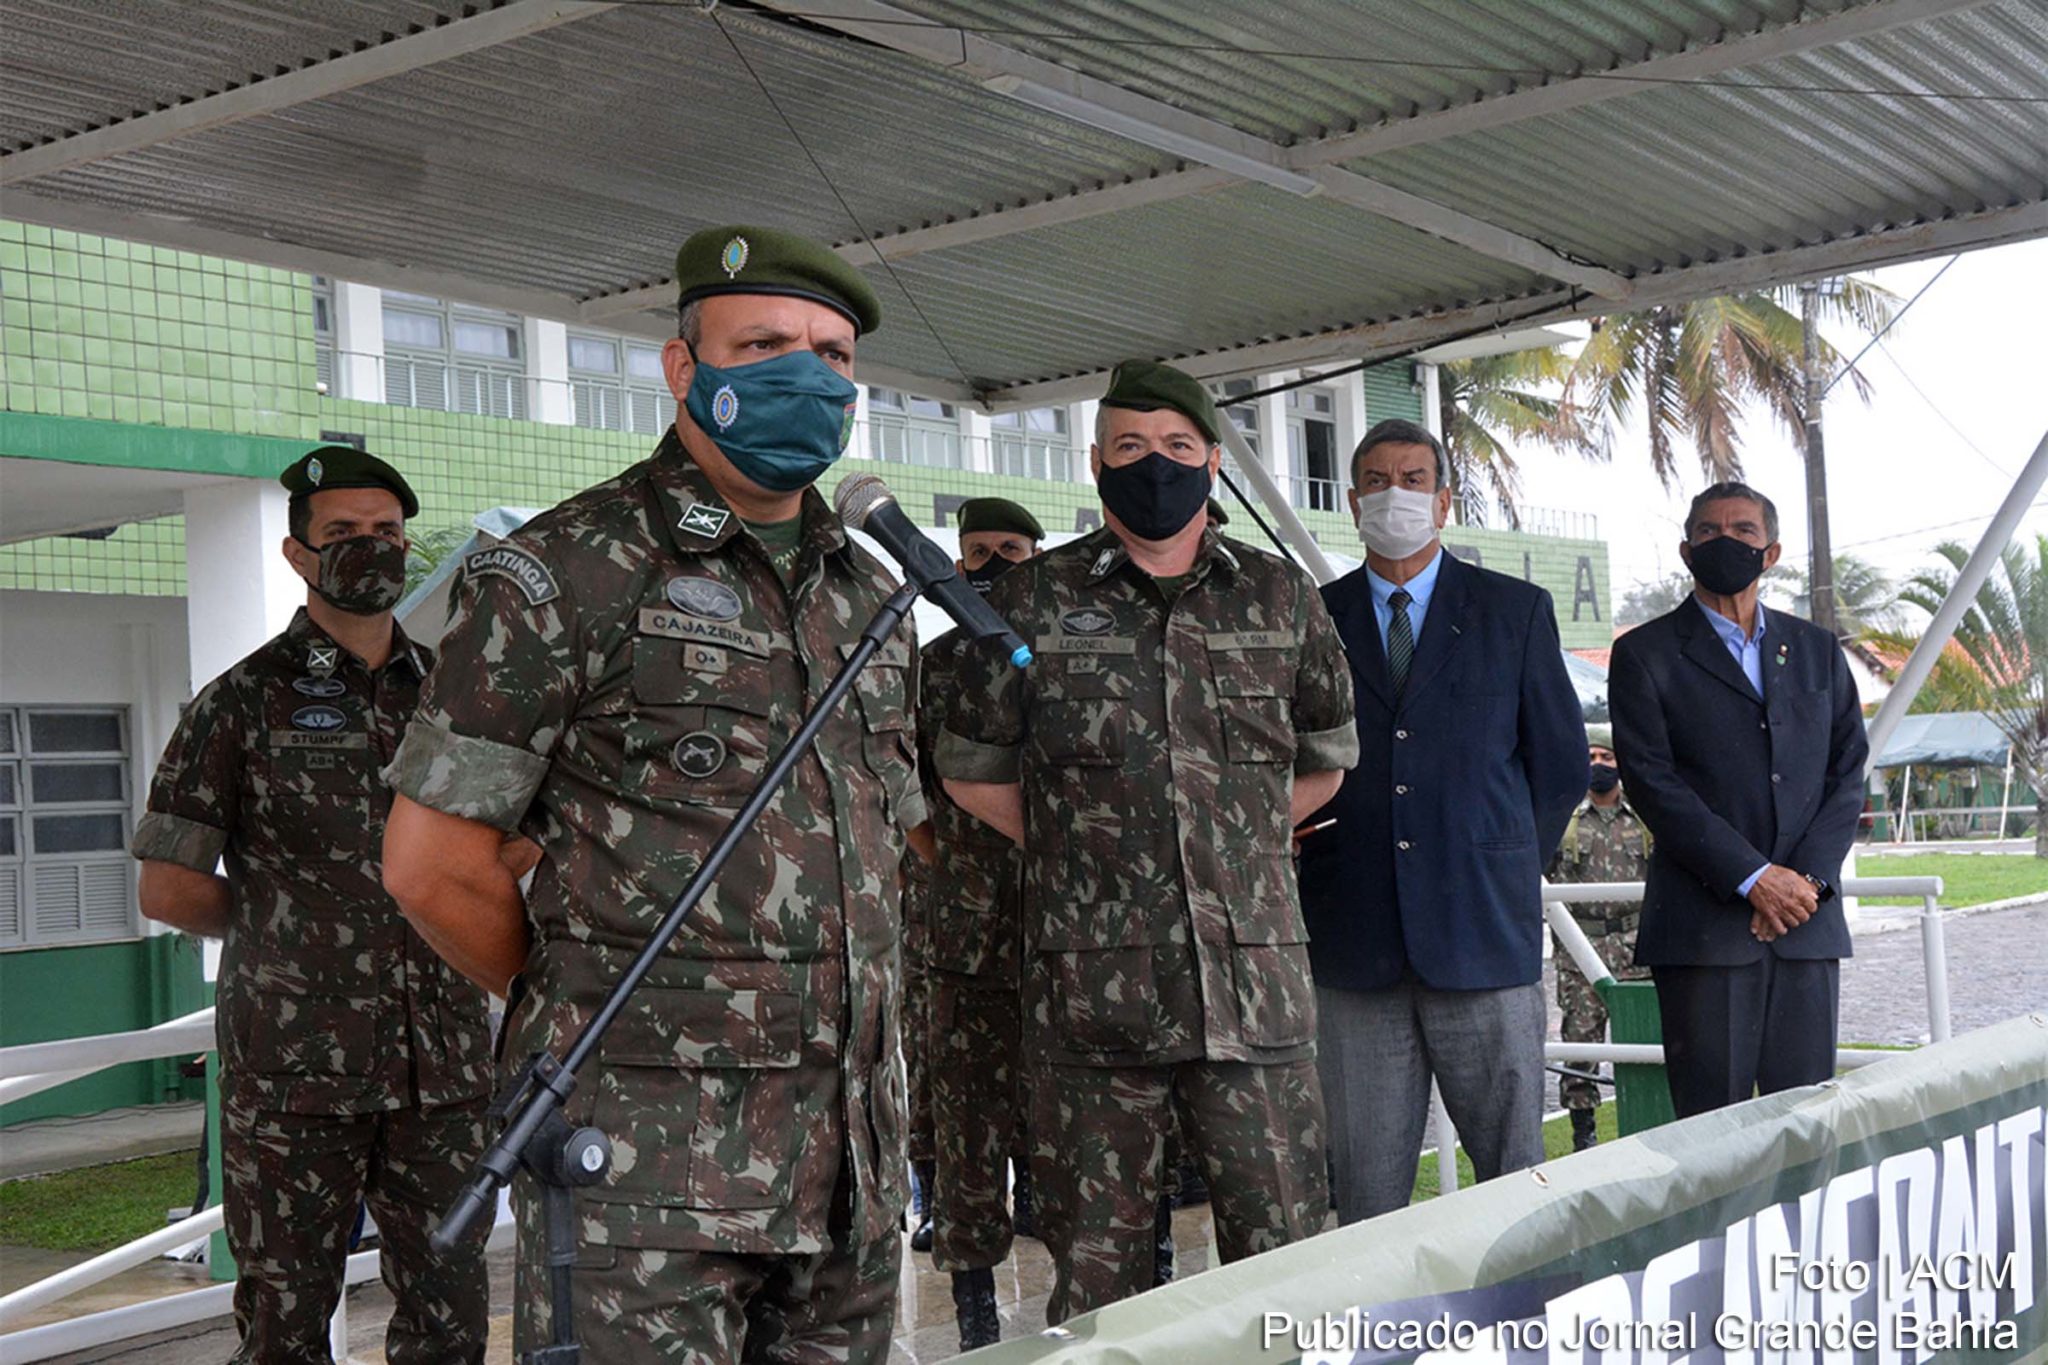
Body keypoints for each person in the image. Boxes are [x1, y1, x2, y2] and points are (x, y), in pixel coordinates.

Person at [380, 225, 926, 1363]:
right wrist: (588, 1013)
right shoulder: (564, 570)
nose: (805, 374)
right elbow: (431, 867)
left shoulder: (868, 595)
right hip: (645, 1180)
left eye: (831, 355)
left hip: (850, 1179)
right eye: (765, 343)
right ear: (685, 370)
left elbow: (881, 850)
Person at [939, 360, 1357, 1323]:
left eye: (1176, 448)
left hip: (1252, 989)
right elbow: (970, 768)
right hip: (1094, 997)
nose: (1154, 466)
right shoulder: (1031, 598)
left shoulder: (1278, 594)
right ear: (1095, 463)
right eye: (1131, 448)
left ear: (1213, 460)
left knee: (1284, 1254)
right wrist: (1083, 847)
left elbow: (1327, 757)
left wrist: (1225, 838)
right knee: (1097, 1276)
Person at [131, 447, 491, 1365]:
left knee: (450, 1324)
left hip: (443, 1075)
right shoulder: (240, 701)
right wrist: (289, 924)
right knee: (285, 1330)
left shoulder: (454, 697)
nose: (370, 550)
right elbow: (166, 884)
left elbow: (507, 844)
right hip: (294, 1075)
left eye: (385, 534)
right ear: (299, 554)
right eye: (343, 535)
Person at [1297, 417, 1586, 1224]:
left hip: (1483, 940)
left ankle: (1516, 1338)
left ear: (1445, 500)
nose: (1397, 495)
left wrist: (1497, 859)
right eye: (1379, 481)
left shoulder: (1514, 611)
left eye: (1414, 478)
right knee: (1367, 1192)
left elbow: (1559, 764)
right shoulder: (1312, 617)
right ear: (1353, 502)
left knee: (1512, 1182)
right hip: (1353, 945)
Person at [1607, 481, 1867, 1118]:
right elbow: (1650, 781)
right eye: (1708, 532)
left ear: (1771, 551)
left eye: (1743, 531)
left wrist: (1802, 882)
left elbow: (1848, 773)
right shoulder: (1644, 653)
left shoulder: (1815, 650)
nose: (1725, 541)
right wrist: (1754, 879)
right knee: (1710, 1139)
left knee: (1806, 1128)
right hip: (1704, 931)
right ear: (1686, 550)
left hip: (1805, 925)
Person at [917, 496, 1045, 1350]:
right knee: (966, 1136)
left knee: (1083, 1131)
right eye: (978, 551)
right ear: (955, 563)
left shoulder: (1065, 655)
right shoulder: (927, 665)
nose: (993, 564)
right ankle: (973, 1317)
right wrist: (933, 867)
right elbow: (889, 779)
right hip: (961, 940)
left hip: (1067, 936)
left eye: (1011, 550)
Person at [1546, 722, 1651, 1151]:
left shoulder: (1644, 818)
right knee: (1580, 1045)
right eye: (1590, 757)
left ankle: (1647, 1123)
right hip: (1580, 952)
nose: (1598, 765)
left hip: (1636, 948)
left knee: (1643, 1041)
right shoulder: (1563, 819)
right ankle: (1582, 1133)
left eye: (1606, 758)